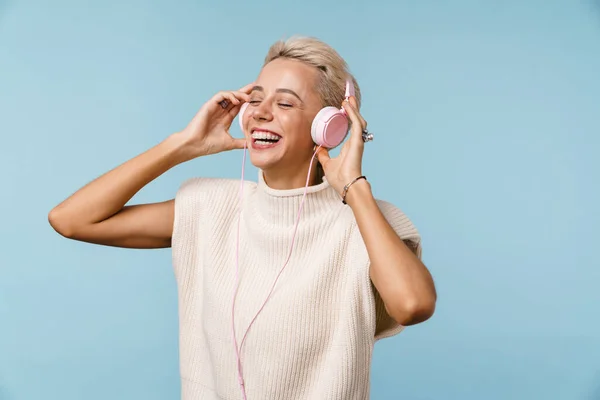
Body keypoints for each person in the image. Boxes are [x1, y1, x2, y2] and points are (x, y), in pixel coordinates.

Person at [48, 36, 437, 400]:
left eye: (285, 104)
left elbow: (413, 304)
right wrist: (181, 145)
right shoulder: (209, 206)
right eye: (255, 99)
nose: (261, 113)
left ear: (330, 127)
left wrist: (354, 187)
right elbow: (72, 220)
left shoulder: (368, 222)